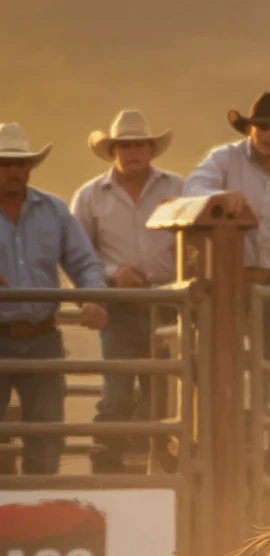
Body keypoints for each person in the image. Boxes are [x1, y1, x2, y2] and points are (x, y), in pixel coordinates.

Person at [184, 92, 270, 476]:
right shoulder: (223, 160)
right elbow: (192, 190)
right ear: (249, 128)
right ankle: (235, 460)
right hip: (226, 284)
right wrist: (221, 196)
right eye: (264, 126)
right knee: (225, 375)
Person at [71, 110, 184, 473]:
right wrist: (112, 273)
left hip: (165, 303)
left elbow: (193, 241)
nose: (133, 151)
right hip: (117, 306)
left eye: (139, 144)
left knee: (162, 396)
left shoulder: (178, 188)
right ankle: (107, 464)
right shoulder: (89, 196)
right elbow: (78, 253)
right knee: (116, 395)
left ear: (151, 150)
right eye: (125, 145)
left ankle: (161, 465)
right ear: (112, 151)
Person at [0, 123, 107, 475]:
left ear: (30, 167)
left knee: (46, 434)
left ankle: (38, 505)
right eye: (5, 163)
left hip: (42, 335)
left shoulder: (54, 210)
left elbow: (83, 261)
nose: (12, 171)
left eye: (19, 164)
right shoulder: (54, 209)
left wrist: (92, 299)